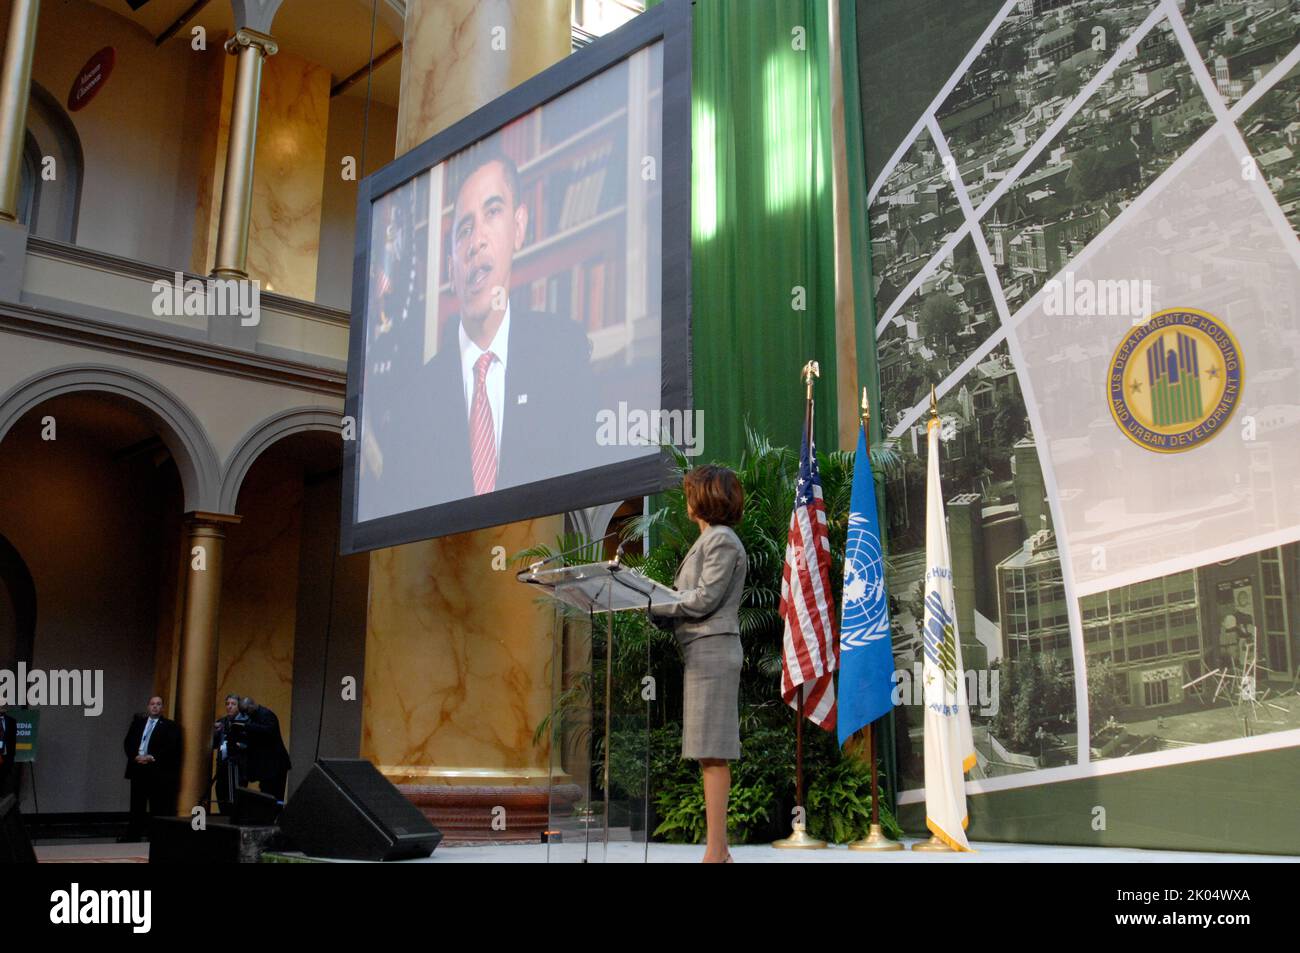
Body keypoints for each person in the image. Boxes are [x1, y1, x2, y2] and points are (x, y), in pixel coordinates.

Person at [380, 144, 595, 513]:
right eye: (464, 230)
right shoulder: (411, 403)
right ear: (451, 268)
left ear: (519, 227)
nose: (476, 241)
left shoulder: (565, 353)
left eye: (492, 212)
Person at [650, 465, 748, 863]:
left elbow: (705, 598)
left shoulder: (721, 540)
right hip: (700, 651)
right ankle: (719, 851)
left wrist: (658, 601)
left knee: (713, 750)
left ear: (705, 497)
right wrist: (659, 606)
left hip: (713, 651)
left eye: (691, 492)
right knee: (708, 750)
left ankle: (714, 853)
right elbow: (691, 596)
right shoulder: (709, 539)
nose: (686, 499)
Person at [120, 695, 180, 842]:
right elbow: (128, 742)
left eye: (158, 704)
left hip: (156, 770)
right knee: (136, 805)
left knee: (157, 805)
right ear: (148, 706)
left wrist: (151, 757)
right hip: (137, 768)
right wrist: (135, 756)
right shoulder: (138, 723)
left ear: (163, 708)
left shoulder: (169, 725)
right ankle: (133, 835)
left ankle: (155, 836)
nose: (155, 706)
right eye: (152, 704)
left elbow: (171, 747)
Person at [239, 697, 291, 801]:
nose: (245, 714)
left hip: (275, 765)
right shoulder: (258, 716)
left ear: (251, 706)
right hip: (269, 767)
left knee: (275, 796)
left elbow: (269, 731)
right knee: (268, 796)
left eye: (245, 711)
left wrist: (247, 727)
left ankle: (275, 816)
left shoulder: (266, 715)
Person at [212, 693, 249, 814]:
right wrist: (214, 732)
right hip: (222, 767)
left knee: (237, 799)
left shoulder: (246, 722)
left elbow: (251, 744)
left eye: (233, 704)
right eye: (227, 704)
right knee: (221, 794)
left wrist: (238, 745)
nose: (229, 706)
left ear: (239, 707)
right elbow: (213, 744)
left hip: (238, 767)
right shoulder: (221, 722)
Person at [0, 706, 17, 799]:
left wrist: (11, 757)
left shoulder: (11, 721)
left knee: (4, 782)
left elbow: (13, 740)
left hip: (6, 758)